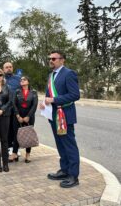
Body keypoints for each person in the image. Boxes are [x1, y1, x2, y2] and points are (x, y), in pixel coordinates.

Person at [40, 50, 80, 188]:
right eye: (50, 58)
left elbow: (75, 95)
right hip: (53, 115)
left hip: (65, 115)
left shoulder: (69, 74)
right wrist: (44, 102)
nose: (51, 60)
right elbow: (48, 95)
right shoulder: (51, 75)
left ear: (62, 60)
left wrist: (54, 99)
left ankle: (73, 176)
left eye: (54, 58)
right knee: (60, 145)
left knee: (69, 145)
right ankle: (64, 170)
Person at [11, 76, 38, 163]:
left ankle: (28, 154)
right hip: (18, 116)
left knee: (28, 135)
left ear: (28, 82)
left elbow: (34, 105)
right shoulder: (17, 92)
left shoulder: (33, 92)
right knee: (16, 135)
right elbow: (13, 104)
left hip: (29, 117)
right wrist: (18, 116)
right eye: (21, 80)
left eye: (24, 79)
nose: (22, 81)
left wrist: (28, 116)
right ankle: (14, 153)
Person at [3, 62, 21, 155]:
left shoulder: (18, 79)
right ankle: (9, 147)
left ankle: (16, 147)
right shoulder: (1, 79)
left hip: (16, 108)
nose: (9, 68)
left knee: (16, 128)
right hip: (5, 108)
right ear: (3, 69)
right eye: (7, 67)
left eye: (10, 67)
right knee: (7, 129)